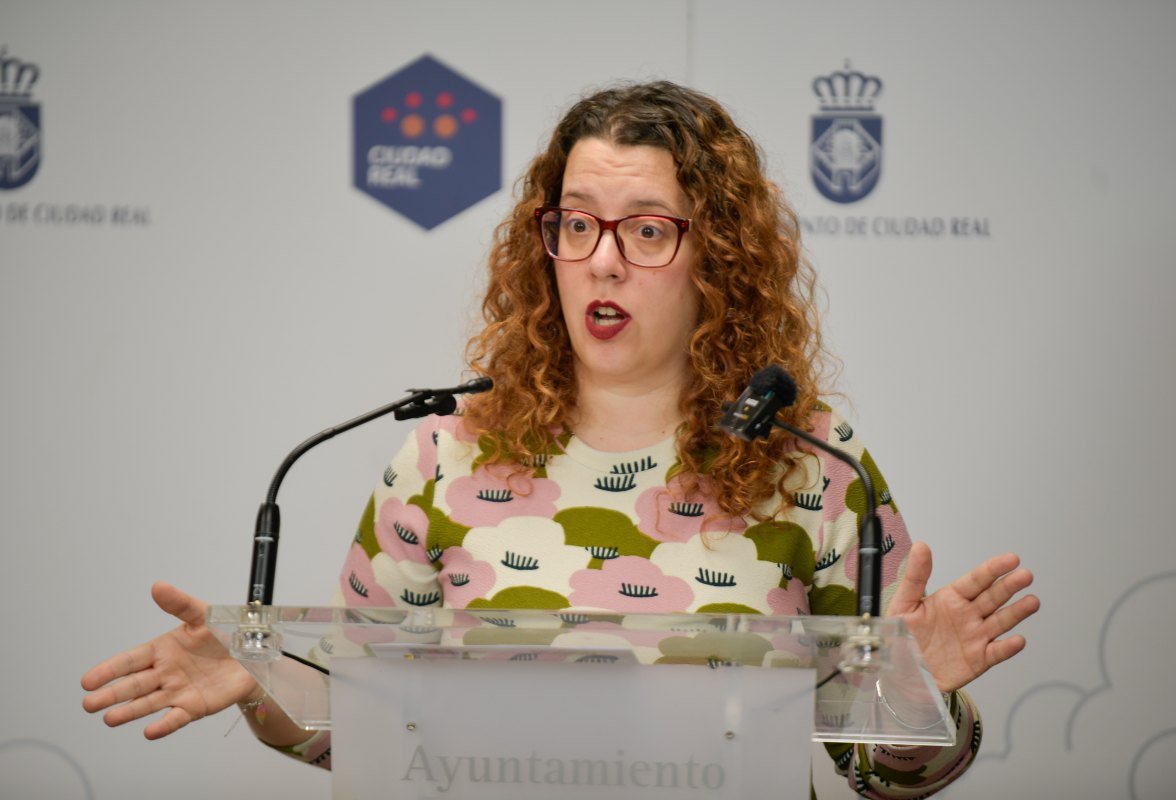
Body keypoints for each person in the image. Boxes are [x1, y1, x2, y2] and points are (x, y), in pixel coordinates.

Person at [81, 81, 1039, 797]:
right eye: (576, 224)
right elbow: (354, 728)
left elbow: (887, 774)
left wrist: (917, 701)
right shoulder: (441, 459)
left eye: (648, 231)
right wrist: (261, 680)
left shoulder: (815, 466)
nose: (603, 261)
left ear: (719, 255)